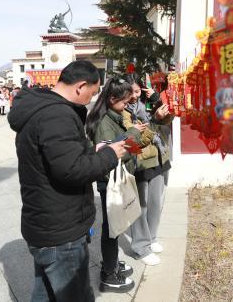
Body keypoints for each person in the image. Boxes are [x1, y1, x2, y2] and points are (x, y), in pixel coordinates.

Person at [9, 61, 128, 302]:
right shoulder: (57, 115)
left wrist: (93, 149)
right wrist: (109, 155)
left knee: (45, 293)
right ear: (80, 86)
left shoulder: (43, 108)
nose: (92, 98)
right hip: (60, 230)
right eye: (92, 93)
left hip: (46, 223)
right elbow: (71, 170)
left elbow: (61, 156)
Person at [85, 76, 146, 293]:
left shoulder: (114, 116)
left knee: (115, 226)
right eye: (125, 101)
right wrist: (134, 134)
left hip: (114, 179)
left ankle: (110, 264)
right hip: (109, 181)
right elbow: (115, 155)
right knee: (111, 228)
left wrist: (134, 134)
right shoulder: (104, 123)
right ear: (112, 99)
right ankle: (109, 274)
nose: (128, 105)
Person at [123, 75, 173, 266]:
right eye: (130, 93)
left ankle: (151, 238)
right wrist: (155, 119)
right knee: (140, 208)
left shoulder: (148, 103)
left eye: (137, 91)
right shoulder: (124, 111)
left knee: (155, 203)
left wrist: (157, 100)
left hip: (158, 158)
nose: (135, 96)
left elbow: (167, 119)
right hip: (140, 161)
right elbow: (137, 137)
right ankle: (140, 247)